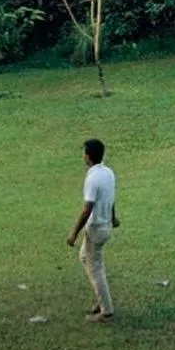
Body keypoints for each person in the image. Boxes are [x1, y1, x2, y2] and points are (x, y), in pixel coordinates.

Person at [67, 137, 119, 322]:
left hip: (96, 229)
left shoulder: (92, 178)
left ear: (88, 157)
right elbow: (110, 198)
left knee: (95, 268)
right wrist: (113, 218)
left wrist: (73, 232)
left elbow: (87, 208)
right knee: (86, 258)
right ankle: (101, 299)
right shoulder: (109, 173)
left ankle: (106, 311)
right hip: (105, 226)